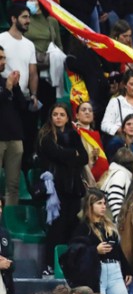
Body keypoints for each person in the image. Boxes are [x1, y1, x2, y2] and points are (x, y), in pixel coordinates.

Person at [38, 103, 88, 275]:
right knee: (56, 229)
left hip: (73, 189)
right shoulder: (45, 136)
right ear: (50, 117)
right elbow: (55, 154)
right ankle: (49, 265)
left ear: (68, 117)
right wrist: (71, 154)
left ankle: (68, 266)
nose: (58, 117)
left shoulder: (74, 134)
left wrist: (69, 155)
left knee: (72, 228)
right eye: (55, 114)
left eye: (62, 114)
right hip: (55, 190)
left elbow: (84, 158)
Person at [71, 188, 132, 294]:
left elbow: (118, 249)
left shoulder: (109, 225)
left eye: (104, 203)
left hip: (115, 270)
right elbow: (75, 252)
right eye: (99, 203)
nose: (103, 206)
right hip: (97, 272)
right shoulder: (82, 228)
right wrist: (95, 250)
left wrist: (126, 269)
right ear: (90, 205)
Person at [0, 44, 26, 207]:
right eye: (0, 58)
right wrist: (8, 89)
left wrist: (16, 87)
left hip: (15, 137)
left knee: (13, 185)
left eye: (4, 58)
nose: (3, 61)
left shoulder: (6, 81)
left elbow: (23, 107)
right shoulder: (5, 84)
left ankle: (10, 221)